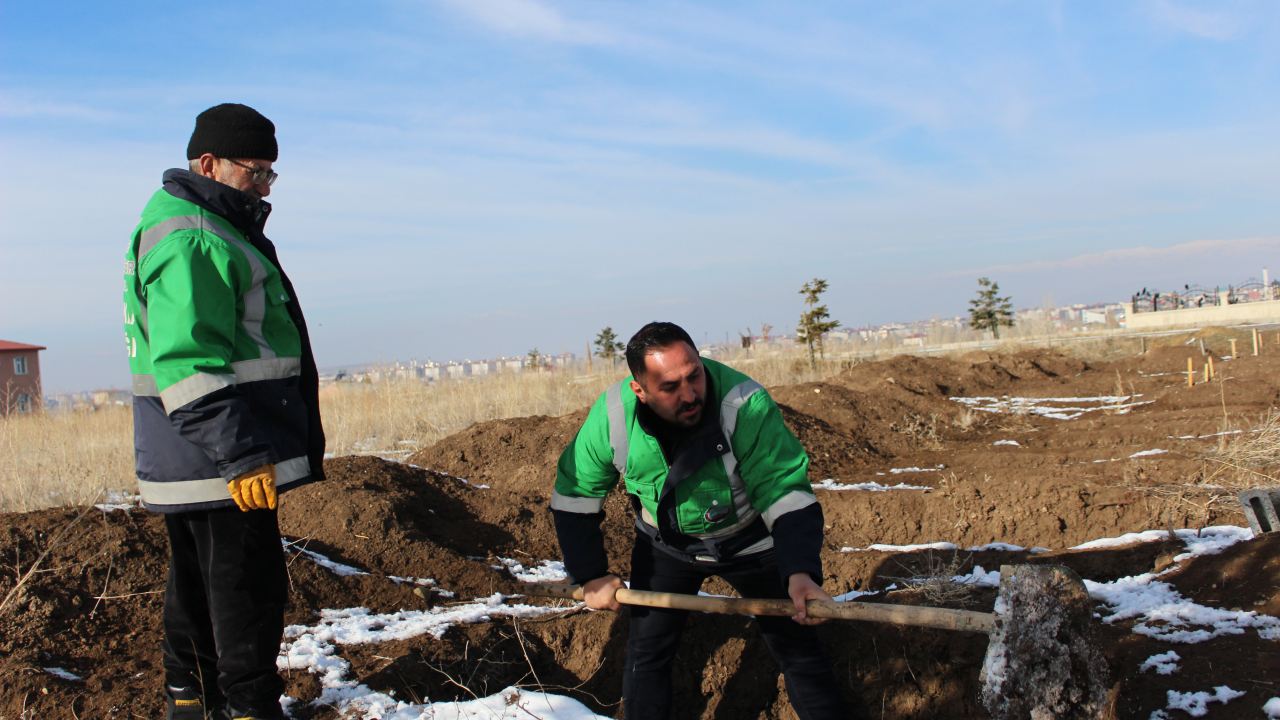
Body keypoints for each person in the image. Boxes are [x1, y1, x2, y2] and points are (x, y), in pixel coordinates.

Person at [123, 103, 326, 720]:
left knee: (195, 586)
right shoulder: (195, 237)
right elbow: (190, 364)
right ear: (208, 164)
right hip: (221, 457)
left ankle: (192, 703)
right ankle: (249, 710)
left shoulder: (196, 225)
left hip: (192, 454)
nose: (265, 187)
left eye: (271, 174)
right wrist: (241, 453)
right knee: (247, 594)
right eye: (254, 171)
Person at [551, 322, 848, 719]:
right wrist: (590, 575)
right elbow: (575, 496)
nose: (689, 394)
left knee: (800, 653)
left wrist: (800, 572)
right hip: (666, 546)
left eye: (695, 375)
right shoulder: (612, 418)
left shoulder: (744, 404)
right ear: (639, 389)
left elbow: (785, 491)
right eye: (670, 387)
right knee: (646, 655)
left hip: (752, 542)